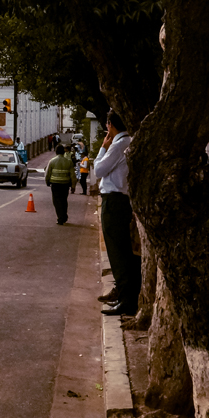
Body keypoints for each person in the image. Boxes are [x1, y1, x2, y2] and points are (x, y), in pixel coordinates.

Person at [94, 110, 141, 316]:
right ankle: (125, 295)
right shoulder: (129, 141)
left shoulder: (118, 145)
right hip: (121, 200)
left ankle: (126, 299)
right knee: (123, 251)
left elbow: (98, 170)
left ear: (110, 125)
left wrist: (102, 149)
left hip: (114, 201)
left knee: (117, 252)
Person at [44, 144, 74, 225]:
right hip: (65, 184)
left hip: (55, 184)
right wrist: (73, 186)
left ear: (56, 152)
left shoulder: (52, 161)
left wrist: (47, 181)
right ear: (64, 152)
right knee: (64, 200)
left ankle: (61, 218)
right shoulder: (69, 162)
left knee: (57, 201)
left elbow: (47, 173)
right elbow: (72, 175)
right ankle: (64, 216)